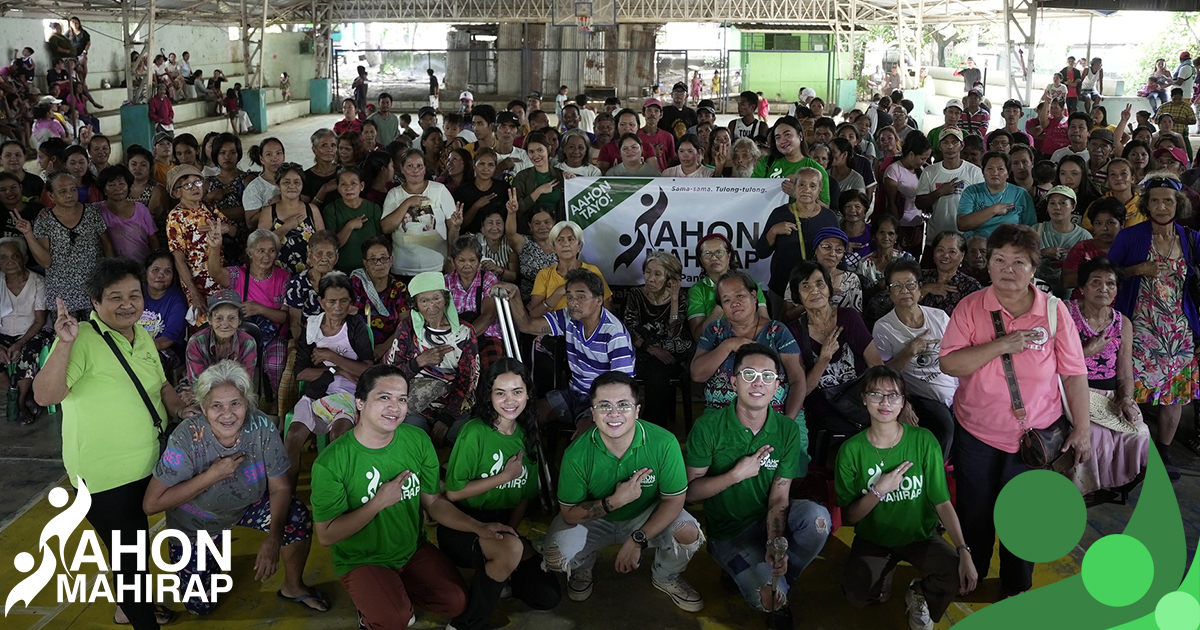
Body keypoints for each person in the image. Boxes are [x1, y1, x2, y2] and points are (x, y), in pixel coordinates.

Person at [939, 223, 1091, 598]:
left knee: (1024, 518)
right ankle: (971, 577)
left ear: (1034, 268)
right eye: (999, 260)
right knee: (975, 512)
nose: (1008, 268)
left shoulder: (1054, 312)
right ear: (987, 265)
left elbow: (1074, 374)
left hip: (1036, 438)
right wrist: (1002, 344)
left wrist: (1083, 427)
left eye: (1018, 261)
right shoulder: (970, 307)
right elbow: (950, 364)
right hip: (977, 433)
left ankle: (1015, 588)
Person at [34, 257, 183, 628]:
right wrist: (64, 344)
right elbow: (45, 395)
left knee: (132, 551)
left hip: (151, 465)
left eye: (134, 294)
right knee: (131, 561)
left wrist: (182, 406)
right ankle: (140, 619)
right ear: (96, 303)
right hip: (106, 478)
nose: (127, 303)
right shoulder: (81, 337)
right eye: (115, 296)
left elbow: (160, 384)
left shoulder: (142, 333)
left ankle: (125, 609)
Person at [311, 364, 517, 629]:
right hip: (361, 558)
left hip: (410, 549)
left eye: (402, 399)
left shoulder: (417, 440)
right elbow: (327, 535)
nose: (394, 407)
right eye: (384, 397)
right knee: (395, 619)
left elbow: (433, 501)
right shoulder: (332, 462)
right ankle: (374, 609)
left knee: (455, 602)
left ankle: (390, 594)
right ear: (360, 402)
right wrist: (378, 503)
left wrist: (479, 528)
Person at [143, 360, 329, 615]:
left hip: (245, 507)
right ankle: (212, 550)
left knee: (295, 516)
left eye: (235, 404)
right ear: (203, 408)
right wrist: (212, 475)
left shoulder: (261, 427)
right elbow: (151, 504)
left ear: (247, 403)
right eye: (216, 405)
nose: (227, 414)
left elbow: (281, 488)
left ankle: (293, 586)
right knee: (201, 607)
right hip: (195, 525)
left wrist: (274, 539)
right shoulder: (187, 437)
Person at [685, 342, 830, 629]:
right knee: (769, 600)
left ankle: (779, 574)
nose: (757, 383)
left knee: (818, 520)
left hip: (769, 522)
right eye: (749, 374)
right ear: (733, 381)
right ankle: (755, 575)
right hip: (729, 533)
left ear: (777, 385)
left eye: (767, 376)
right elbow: (689, 494)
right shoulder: (709, 427)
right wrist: (734, 475)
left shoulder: (786, 429)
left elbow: (779, 497)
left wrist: (774, 544)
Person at [542, 370, 705, 612]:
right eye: (604, 405)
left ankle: (665, 576)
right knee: (555, 555)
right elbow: (569, 514)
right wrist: (614, 501)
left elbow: (674, 500)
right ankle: (583, 566)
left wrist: (637, 539)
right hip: (596, 521)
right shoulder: (577, 453)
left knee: (688, 532)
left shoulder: (664, 442)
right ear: (593, 412)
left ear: (637, 410)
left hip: (644, 516)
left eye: (624, 404)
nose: (614, 413)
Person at [836, 365, 976, 629]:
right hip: (874, 538)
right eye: (876, 394)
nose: (885, 402)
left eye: (893, 395)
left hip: (919, 536)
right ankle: (884, 572)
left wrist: (964, 550)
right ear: (864, 398)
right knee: (857, 596)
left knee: (958, 572)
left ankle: (920, 592)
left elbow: (942, 501)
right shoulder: (851, 450)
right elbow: (850, 517)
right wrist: (878, 491)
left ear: (903, 402)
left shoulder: (923, 441)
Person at [440, 359, 563, 628]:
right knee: (508, 551)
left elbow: (524, 497)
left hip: (504, 523)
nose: (510, 400)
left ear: (528, 393)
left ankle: (498, 571)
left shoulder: (527, 434)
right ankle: (464, 623)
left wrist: (509, 531)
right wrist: (504, 477)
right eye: (500, 392)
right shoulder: (474, 432)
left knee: (547, 597)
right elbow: (453, 493)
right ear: (489, 395)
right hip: (464, 524)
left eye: (517, 391)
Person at [1105, 174, 1199, 478]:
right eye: (1155, 200)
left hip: (1180, 330)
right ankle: (1133, 454)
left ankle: (1162, 454)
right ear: (1146, 204)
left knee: (1175, 395)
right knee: (1132, 392)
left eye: (1168, 201)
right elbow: (1107, 273)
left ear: (1178, 204)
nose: (1161, 206)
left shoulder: (1191, 238)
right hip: (1139, 328)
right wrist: (1137, 269)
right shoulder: (1131, 236)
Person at [497, 268, 635, 432]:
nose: (573, 303)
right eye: (569, 297)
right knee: (527, 416)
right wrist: (515, 295)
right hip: (573, 393)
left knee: (582, 442)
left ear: (599, 300)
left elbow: (623, 386)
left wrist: (599, 410)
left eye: (581, 297)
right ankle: (529, 457)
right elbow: (527, 325)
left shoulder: (614, 333)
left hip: (601, 400)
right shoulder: (568, 317)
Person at [1069, 257, 1150, 493]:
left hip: (1108, 395)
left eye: (1110, 284)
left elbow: (1125, 373)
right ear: (1082, 288)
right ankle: (1084, 490)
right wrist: (1086, 352)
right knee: (1095, 434)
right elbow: (1050, 361)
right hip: (1072, 390)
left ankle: (1115, 485)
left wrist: (1126, 398)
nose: (1103, 288)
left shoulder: (1122, 323)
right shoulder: (1065, 313)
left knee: (1139, 430)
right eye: (1095, 282)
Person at [286, 271, 374, 481]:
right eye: (331, 301)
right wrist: (337, 369)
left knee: (339, 435)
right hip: (317, 393)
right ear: (321, 302)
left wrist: (330, 356)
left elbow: (367, 370)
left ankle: (337, 485)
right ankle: (286, 494)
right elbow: (301, 373)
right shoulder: (312, 328)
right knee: (293, 436)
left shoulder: (355, 326)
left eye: (343, 301)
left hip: (350, 394)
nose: (337, 307)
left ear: (350, 302)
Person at [871, 259, 960, 458]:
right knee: (944, 431)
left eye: (910, 284)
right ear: (890, 291)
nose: (905, 291)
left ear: (920, 288)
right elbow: (884, 373)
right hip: (921, 397)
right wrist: (910, 350)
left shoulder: (939, 317)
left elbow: (957, 354)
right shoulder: (884, 328)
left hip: (956, 391)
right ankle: (933, 477)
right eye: (897, 286)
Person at [789, 260, 887, 440]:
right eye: (805, 286)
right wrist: (823, 359)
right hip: (827, 407)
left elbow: (876, 364)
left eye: (819, 283)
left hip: (860, 399)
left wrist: (889, 399)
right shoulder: (793, 331)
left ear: (828, 288)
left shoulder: (849, 317)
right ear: (798, 295)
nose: (814, 290)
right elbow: (802, 391)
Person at [692, 270, 805, 417]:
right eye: (726, 300)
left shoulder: (777, 331)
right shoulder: (714, 331)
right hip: (721, 416)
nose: (734, 303)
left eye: (739, 295)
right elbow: (697, 375)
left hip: (776, 415)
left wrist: (788, 422)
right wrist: (728, 345)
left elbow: (798, 380)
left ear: (753, 296)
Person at [383, 271, 479, 444]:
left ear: (446, 300)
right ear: (416, 305)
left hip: (454, 406)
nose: (432, 306)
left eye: (436, 298)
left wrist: (447, 418)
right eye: (424, 301)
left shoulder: (464, 332)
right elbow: (392, 374)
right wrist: (419, 361)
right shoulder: (407, 329)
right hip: (416, 406)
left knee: (464, 440)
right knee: (409, 439)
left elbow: (469, 380)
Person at [18, 171, 112, 320]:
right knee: (67, 337)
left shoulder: (91, 213)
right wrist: (28, 234)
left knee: (98, 335)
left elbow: (107, 244)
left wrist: (109, 276)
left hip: (94, 287)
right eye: (62, 191)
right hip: (62, 292)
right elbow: (45, 262)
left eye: (73, 189)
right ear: (50, 196)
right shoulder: (44, 220)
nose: (69, 194)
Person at [206, 226, 289, 391]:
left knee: (276, 364)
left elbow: (285, 317)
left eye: (271, 251)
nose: (266, 256)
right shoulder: (238, 275)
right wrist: (215, 248)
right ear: (250, 253)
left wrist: (259, 309)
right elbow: (215, 273)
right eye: (261, 251)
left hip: (275, 336)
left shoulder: (284, 277)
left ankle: (275, 406)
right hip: (241, 338)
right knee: (233, 369)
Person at [621, 251, 692, 426]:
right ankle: (651, 425)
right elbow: (628, 330)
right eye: (648, 271)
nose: (650, 278)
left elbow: (674, 334)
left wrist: (674, 300)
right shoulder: (636, 295)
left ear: (670, 279)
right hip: (641, 350)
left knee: (658, 371)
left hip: (669, 352)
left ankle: (652, 427)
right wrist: (650, 348)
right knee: (653, 371)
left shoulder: (680, 299)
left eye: (658, 274)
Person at [756, 167, 839, 309]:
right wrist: (773, 231)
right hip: (781, 285)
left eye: (812, 186)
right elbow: (761, 252)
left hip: (817, 288)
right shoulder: (779, 213)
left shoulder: (829, 217)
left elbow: (839, 252)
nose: (806, 189)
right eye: (801, 184)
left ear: (819, 190)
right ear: (794, 188)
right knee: (782, 328)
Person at [381, 149, 461, 279]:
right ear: (401, 169)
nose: (415, 170)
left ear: (425, 168)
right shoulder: (394, 194)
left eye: (419, 166)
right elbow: (386, 227)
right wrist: (407, 203)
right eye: (410, 166)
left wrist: (451, 258)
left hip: (436, 267)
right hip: (403, 268)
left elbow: (453, 228)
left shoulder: (439, 190)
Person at [687, 233, 769, 340]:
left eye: (719, 252)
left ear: (729, 256)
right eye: (707, 254)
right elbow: (698, 337)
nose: (714, 257)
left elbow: (767, 325)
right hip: (715, 347)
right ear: (701, 260)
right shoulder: (697, 291)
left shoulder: (749, 282)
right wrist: (722, 306)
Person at [0, 237, 46, 424]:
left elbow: (40, 320)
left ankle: (18, 403)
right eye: (2, 258)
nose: (9, 261)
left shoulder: (37, 282)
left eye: (15, 256)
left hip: (32, 331)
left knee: (28, 354)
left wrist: (20, 342)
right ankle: (16, 396)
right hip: (3, 333)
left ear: (24, 259)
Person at [527, 220, 613, 319]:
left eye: (571, 239)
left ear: (579, 246)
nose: (565, 244)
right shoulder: (544, 275)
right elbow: (534, 314)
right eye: (560, 240)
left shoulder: (592, 271)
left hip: (586, 330)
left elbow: (609, 311)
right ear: (554, 247)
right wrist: (559, 292)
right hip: (554, 330)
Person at [446, 235, 503, 370]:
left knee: (492, 369)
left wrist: (464, 339)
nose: (467, 265)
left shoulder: (488, 279)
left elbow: (488, 316)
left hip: (486, 334)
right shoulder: (446, 282)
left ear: (479, 261)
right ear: (453, 261)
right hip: (454, 337)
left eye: (472, 260)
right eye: (461, 260)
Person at [257, 163, 325, 274]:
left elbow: (324, 243)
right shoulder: (269, 212)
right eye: (286, 182)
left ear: (302, 185)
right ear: (278, 185)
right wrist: (286, 227)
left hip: (309, 276)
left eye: (297, 182)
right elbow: (260, 245)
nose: (292, 186)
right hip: (277, 276)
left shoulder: (312, 210)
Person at [916, 128, 984, 239]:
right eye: (945, 143)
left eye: (954, 142)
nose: (950, 147)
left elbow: (982, 204)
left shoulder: (974, 172)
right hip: (936, 236)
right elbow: (919, 203)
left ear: (961, 146)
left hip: (966, 237)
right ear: (939, 146)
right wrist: (939, 192)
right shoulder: (929, 171)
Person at [782, 227, 863, 319]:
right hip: (803, 330)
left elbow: (857, 317)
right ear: (816, 250)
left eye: (839, 250)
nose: (832, 253)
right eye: (827, 247)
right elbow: (786, 317)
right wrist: (816, 299)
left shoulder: (851, 279)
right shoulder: (800, 275)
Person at [351, 236, 411, 358]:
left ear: (391, 260)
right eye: (373, 259)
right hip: (356, 345)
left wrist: (384, 347)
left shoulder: (399, 288)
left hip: (389, 346)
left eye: (383, 258)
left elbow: (405, 324)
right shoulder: (356, 283)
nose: (379, 264)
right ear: (365, 263)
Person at [956, 152, 1037, 239]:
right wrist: (994, 209)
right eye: (990, 169)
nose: (995, 173)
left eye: (1000, 169)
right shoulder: (971, 191)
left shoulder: (1021, 194)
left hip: (1009, 246)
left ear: (1008, 173)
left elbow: (1030, 229)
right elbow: (962, 225)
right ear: (983, 173)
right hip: (976, 244)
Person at [752, 117, 831, 205]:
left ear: (800, 136)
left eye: (787, 135)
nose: (782, 140)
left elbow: (825, 207)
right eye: (778, 137)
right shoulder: (766, 162)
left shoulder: (816, 169)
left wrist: (797, 194)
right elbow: (752, 192)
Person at [1035, 186, 1093, 296]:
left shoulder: (1084, 237)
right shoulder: (1036, 230)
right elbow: (1021, 259)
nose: (1057, 207)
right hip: (1039, 296)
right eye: (1052, 203)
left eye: (1063, 203)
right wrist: (1042, 253)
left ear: (1073, 207)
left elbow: (1091, 273)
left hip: (1070, 299)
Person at [96, 165, 159, 261]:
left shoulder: (141, 210)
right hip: (113, 268)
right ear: (104, 190)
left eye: (121, 184)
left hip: (142, 266)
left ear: (128, 186)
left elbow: (153, 239)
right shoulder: (96, 210)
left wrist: (156, 262)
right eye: (111, 185)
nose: (117, 189)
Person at [883, 132, 933, 252]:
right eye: (922, 158)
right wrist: (896, 228)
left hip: (917, 225)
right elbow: (892, 202)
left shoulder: (922, 170)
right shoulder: (894, 170)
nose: (924, 162)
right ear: (911, 154)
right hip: (901, 225)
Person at [139, 250, 187, 375]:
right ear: (146, 271)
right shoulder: (137, 294)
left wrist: (140, 349)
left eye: (167, 271)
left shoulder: (176, 299)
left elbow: (168, 339)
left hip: (168, 349)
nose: (161, 275)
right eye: (155, 270)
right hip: (137, 347)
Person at [1065, 198, 1126, 291]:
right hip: (1085, 303)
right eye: (1098, 223)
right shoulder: (1082, 248)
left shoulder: (1129, 249)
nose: (1104, 228)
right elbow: (1066, 281)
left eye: (1110, 223)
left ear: (1122, 224)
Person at [244, 137, 285, 226]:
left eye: (278, 153)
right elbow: (251, 223)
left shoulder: (292, 180)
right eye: (269, 154)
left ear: (284, 157)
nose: (275, 158)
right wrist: (276, 205)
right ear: (262, 159)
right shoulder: (255, 188)